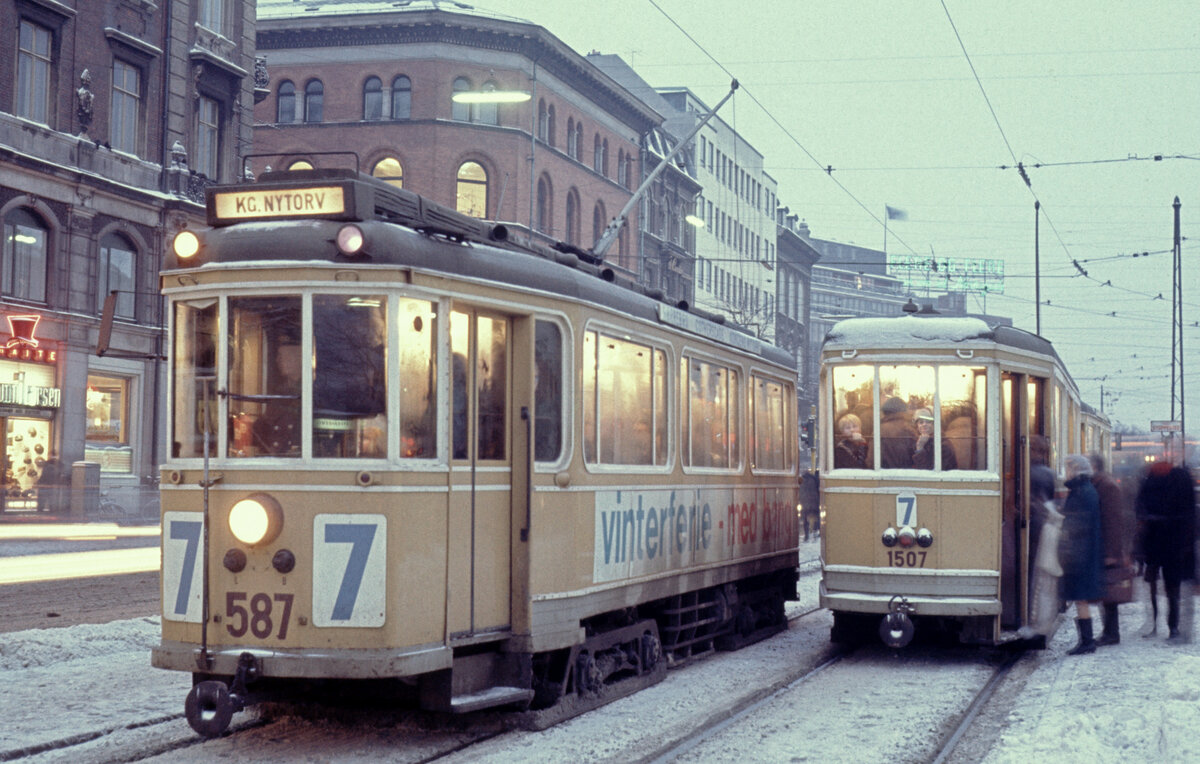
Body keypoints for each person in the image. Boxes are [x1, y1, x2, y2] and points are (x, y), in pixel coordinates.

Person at [1136, 461, 1197, 643]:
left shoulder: (1149, 482)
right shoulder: (1181, 480)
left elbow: (1140, 511)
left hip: (1154, 543)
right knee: (1172, 588)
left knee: (1155, 585)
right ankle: (1173, 628)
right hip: (1174, 544)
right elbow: (1189, 515)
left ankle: (1156, 624)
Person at [1059, 454, 1104, 655]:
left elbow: (1077, 522)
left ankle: (1087, 642)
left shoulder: (1081, 492)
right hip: (1083, 551)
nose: (1066, 472)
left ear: (1076, 470)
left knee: (1081, 598)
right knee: (1080, 598)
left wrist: (1063, 522)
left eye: (1068, 468)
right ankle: (1086, 641)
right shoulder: (1086, 489)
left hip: (1080, 552)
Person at [1090, 452, 1134, 645]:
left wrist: (1111, 553)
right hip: (1103, 545)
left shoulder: (1107, 487)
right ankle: (1109, 631)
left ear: (1094, 466)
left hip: (1108, 547)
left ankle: (1112, 633)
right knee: (1106, 590)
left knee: (1109, 591)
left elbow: (1113, 522)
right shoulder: (1101, 484)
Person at [252, 342, 303, 456]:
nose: (277, 360)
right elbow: (264, 425)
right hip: (277, 455)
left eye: (282, 356)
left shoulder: (308, 391)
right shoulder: (280, 391)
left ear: (297, 359)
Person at [876, 397, 915, 469]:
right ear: (903, 411)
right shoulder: (909, 428)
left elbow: (872, 460)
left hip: (884, 473)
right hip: (906, 473)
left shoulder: (879, 429)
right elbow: (916, 456)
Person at [799, 470, 821, 541]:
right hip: (814, 502)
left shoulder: (801, 480)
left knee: (805, 520)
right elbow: (818, 489)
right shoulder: (814, 479)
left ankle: (806, 536)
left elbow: (799, 491)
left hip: (805, 503)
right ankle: (815, 533)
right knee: (816, 518)